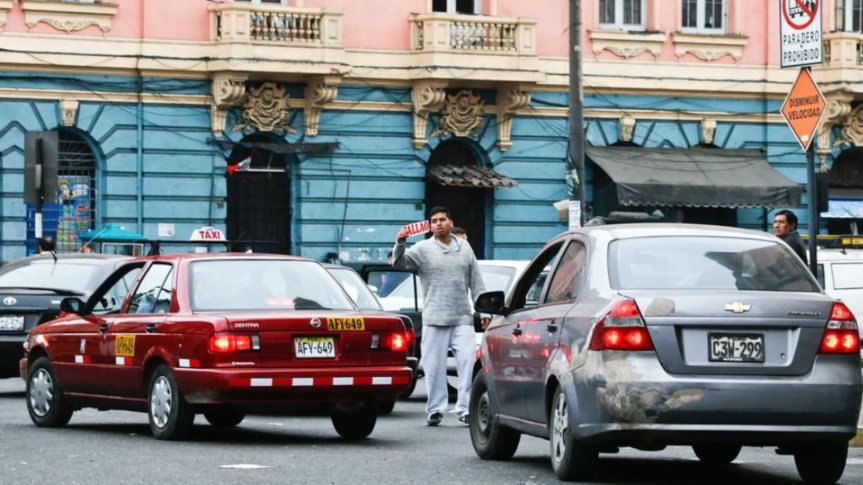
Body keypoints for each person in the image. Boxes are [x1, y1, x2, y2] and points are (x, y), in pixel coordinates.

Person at [392, 206, 487, 426]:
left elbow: (476, 281)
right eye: (434, 220)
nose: (438, 223)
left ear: (451, 223)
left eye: (442, 219)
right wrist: (400, 242)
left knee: (467, 364)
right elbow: (398, 263)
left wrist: (482, 309)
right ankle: (435, 409)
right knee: (433, 368)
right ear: (430, 225)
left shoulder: (464, 247)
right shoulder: (422, 248)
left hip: (462, 317)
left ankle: (464, 409)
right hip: (434, 318)